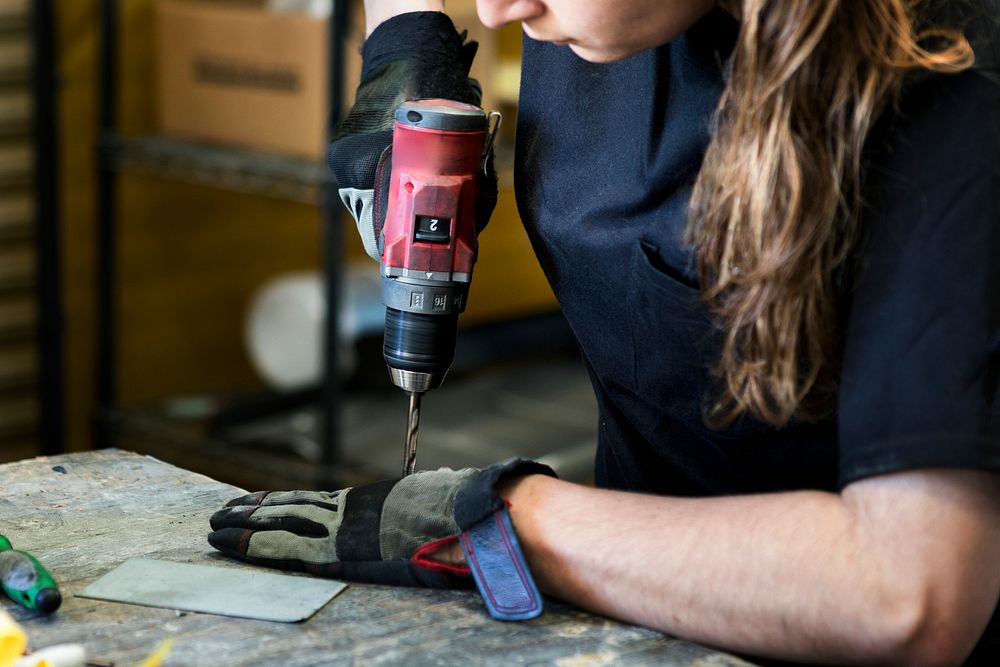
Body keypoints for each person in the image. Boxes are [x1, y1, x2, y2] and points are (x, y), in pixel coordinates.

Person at [208, 1, 1000, 664]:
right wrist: (403, 36)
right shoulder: (587, 16)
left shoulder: (953, 87)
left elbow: (910, 594)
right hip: (639, 627)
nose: (498, 12)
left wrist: (510, 522)